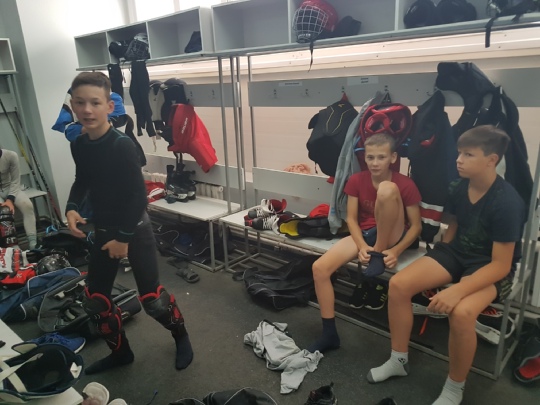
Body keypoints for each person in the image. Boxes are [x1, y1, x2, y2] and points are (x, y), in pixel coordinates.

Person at [367, 125, 526, 405]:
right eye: (459, 153)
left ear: (491, 160)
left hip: (490, 267)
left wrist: (457, 289)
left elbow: (501, 266)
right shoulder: (458, 186)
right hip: (457, 253)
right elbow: (452, 229)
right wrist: (441, 265)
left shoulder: (508, 202)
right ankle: (398, 360)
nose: (458, 160)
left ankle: (454, 387)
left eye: (468, 154)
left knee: (462, 312)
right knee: (399, 285)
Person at [65, 72, 193, 374]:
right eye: (80, 103)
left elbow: (139, 197)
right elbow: (82, 180)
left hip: (134, 230)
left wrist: (123, 238)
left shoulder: (122, 145)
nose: (87, 110)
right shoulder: (79, 144)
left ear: (109, 106)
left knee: (153, 300)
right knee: (96, 302)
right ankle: (121, 354)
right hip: (103, 230)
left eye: (95, 103)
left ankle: (182, 337)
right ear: (73, 106)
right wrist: (71, 207)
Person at [309, 132, 422, 353]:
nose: (375, 163)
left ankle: (377, 253)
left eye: (381, 157)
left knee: (387, 189)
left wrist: (396, 251)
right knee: (319, 268)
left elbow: (416, 226)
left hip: (392, 234)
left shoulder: (405, 183)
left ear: (393, 157)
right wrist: (361, 246)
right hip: (367, 235)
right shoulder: (357, 180)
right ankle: (329, 334)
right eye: (370, 157)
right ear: (364, 157)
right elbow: (351, 219)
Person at [0, 148, 38, 249]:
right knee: (4, 211)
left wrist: (10, 199)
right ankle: (12, 245)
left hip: (11, 187)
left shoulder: (11, 155)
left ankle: (33, 242)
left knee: (27, 205)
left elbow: (15, 180)